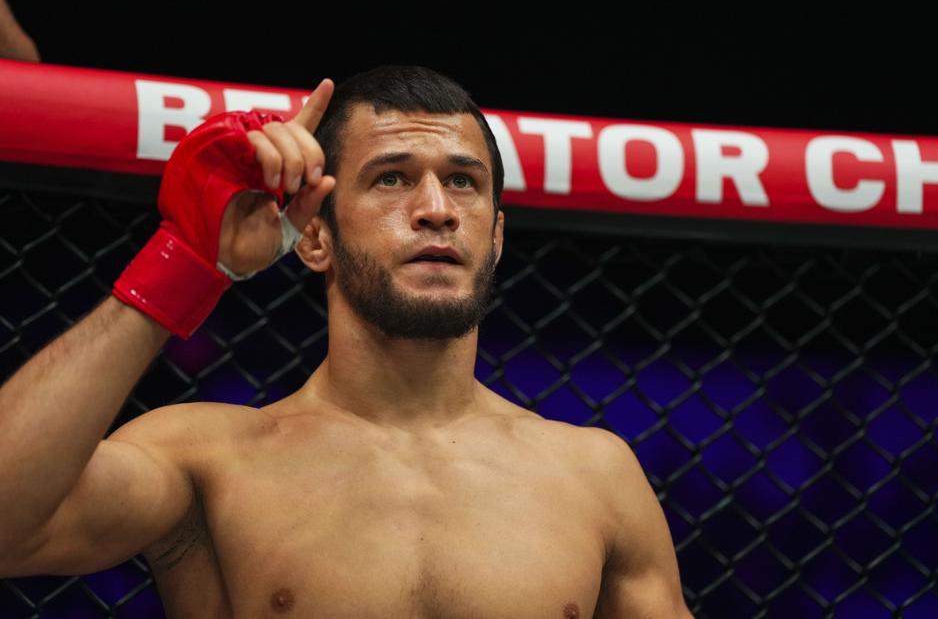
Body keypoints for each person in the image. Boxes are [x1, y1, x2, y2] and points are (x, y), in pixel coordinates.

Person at [0, 66, 693, 618]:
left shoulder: (594, 474)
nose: (437, 210)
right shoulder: (209, 458)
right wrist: (184, 261)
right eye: (391, 178)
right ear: (315, 237)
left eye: (463, 182)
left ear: (496, 237)